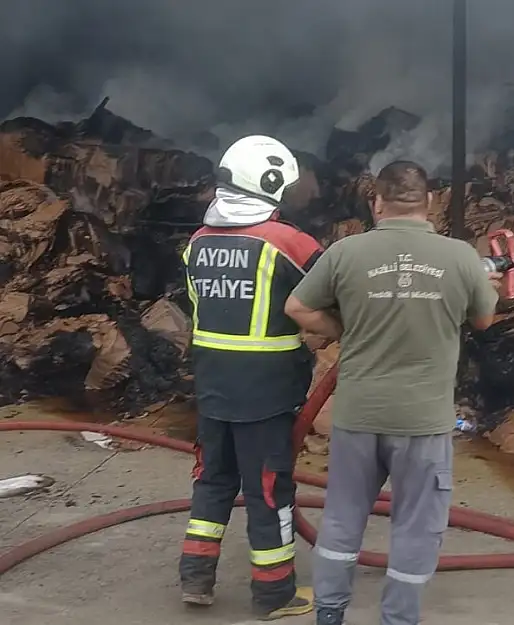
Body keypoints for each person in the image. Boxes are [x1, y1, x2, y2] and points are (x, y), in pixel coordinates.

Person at [284, 160, 501, 625]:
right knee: (416, 528)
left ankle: (329, 614)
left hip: (359, 416)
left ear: (377, 202)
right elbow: (483, 320)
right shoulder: (462, 257)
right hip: (423, 423)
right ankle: (397, 620)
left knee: (342, 519)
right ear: (431, 203)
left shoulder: (346, 252)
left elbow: (297, 306)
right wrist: (485, 289)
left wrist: (340, 326)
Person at [179, 135, 322, 620]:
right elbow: (333, 291)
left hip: (213, 384)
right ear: (271, 184)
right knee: (268, 490)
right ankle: (275, 592)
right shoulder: (289, 242)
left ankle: (195, 578)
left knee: (213, 479)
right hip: (265, 390)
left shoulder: (197, 243)